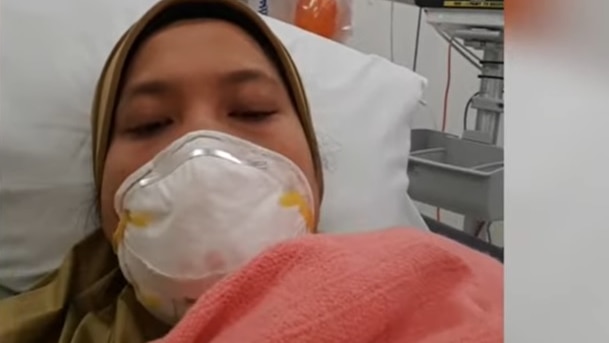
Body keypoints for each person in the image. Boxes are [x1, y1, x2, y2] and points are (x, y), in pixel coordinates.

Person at [0, 0, 503, 342]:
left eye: (252, 111)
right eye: (149, 123)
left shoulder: (439, 293)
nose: (200, 155)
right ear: (103, 190)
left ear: (315, 175)